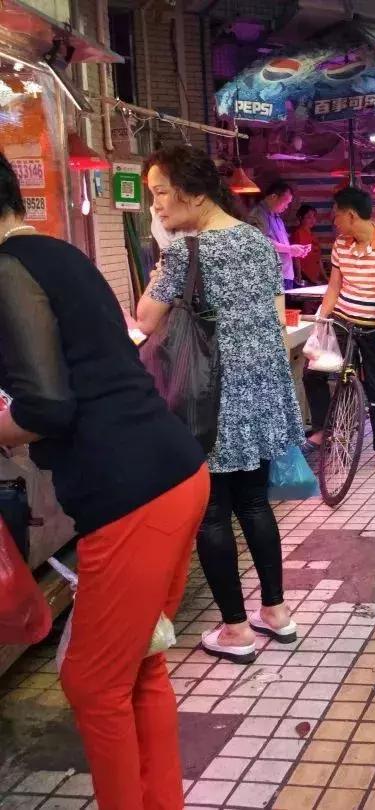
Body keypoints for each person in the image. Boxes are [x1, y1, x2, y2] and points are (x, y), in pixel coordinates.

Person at [0, 151, 209, 807]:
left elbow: (46, 407)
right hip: (171, 472)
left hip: (132, 492)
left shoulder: (7, 270)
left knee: (93, 683)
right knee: (139, 665)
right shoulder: (57, 254)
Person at [137, 145, 305, 664]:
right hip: (258, 390)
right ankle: (276, 613)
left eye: (160, 193)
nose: (156, 206)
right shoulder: (257, 241)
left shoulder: (186, 252)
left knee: (213, 513)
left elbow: (145, 320)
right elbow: (273, 313)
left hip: (209, 397)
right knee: (254, 502)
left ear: (192, 192)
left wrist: (161, 263)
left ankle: (236, 630)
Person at [303, 186, 375, 476]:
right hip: (342, 322)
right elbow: (334, 287)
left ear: (350, 215)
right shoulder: (341, 244)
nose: (334, 221)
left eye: (336, 215)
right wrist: (321, 323)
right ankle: (323, 430)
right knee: (313, 373)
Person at [248, 179, 310, 290]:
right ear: (274, 197)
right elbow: (261, 241)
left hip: (285, 275)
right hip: (270, 277)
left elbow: (281, 247)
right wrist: (290, 249)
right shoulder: (258, 214)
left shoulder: (277, 218)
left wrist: (295, 251)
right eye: (286, 202)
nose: (286, 207)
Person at [291, 204, 326, 286]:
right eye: (309, 217)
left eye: (314, 216)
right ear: (301, 218)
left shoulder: (313, 235)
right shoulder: (298, 233)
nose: (312, 220)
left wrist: (324, 276)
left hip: (315, 276)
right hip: (304, 276)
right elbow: (296, 257)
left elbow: (318, 258)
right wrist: (299, 275)